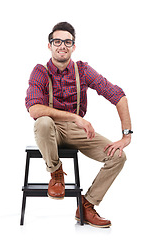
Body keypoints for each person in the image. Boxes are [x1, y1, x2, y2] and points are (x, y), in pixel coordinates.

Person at [25, 22, 132, 228]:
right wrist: (74, 117)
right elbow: (34, 110)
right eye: (57, 41)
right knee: (43, 122)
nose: (62, 46)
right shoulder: (39, 72)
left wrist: (126, 136)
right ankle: (55, 172)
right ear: (49, 45)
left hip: (77, 132)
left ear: (73, 46)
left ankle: (87, 205)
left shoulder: (82, 70)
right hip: (51, 131)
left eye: (68, 42)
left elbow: (118, 95)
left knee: (118, 157)